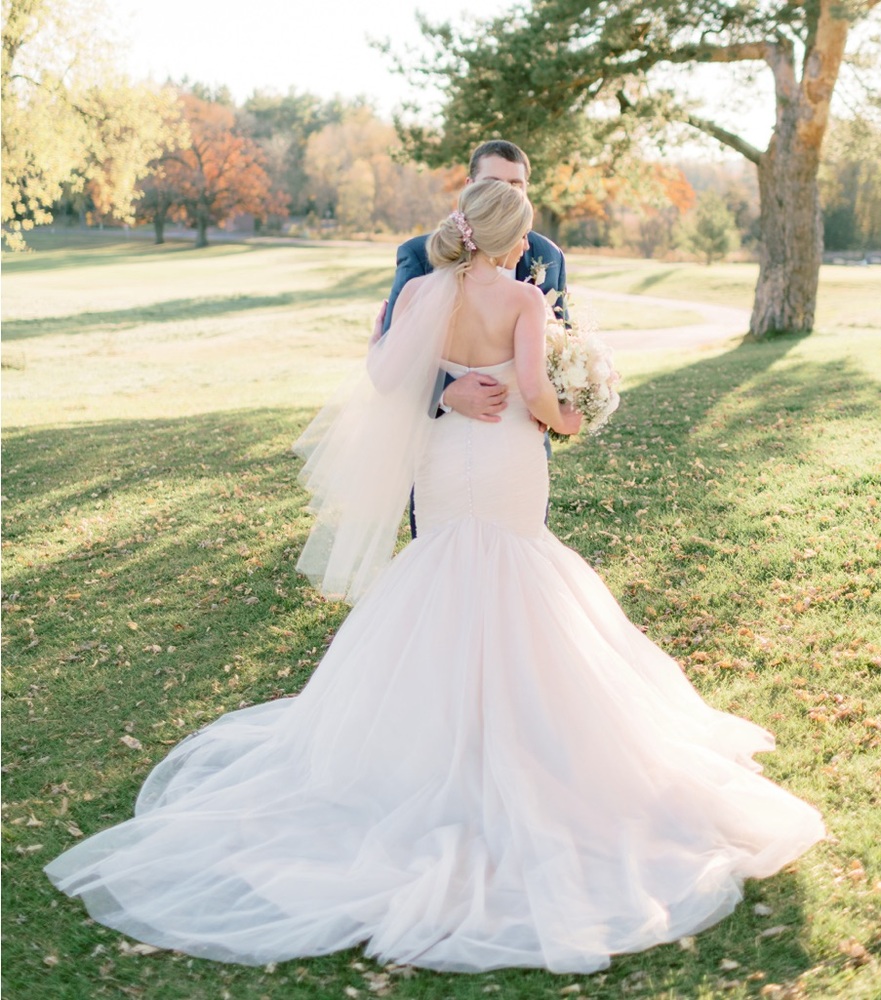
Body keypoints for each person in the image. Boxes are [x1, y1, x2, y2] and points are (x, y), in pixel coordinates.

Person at [45, 180, 825, 975]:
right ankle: (526, 746)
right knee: (521, 579)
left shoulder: (419, 289)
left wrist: (451, 388)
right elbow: (540, 395)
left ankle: (434, 744)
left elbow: (386, 381)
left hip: (449, 462)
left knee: (446, 576)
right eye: (524, 235)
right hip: (510, 456)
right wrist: (575, 413)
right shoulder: (523, 303)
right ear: (507, 238)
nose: (529, 247)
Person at [383, 139, 566, 427]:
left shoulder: (547, 254)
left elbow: (563, 337)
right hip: (443, 427)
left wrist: (554, 402)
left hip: (521, 429)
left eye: (515, 185)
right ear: (469, 186)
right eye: (492, 182)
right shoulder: (420, 254)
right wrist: (446, 393)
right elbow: (395, 350)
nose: (503, 193)